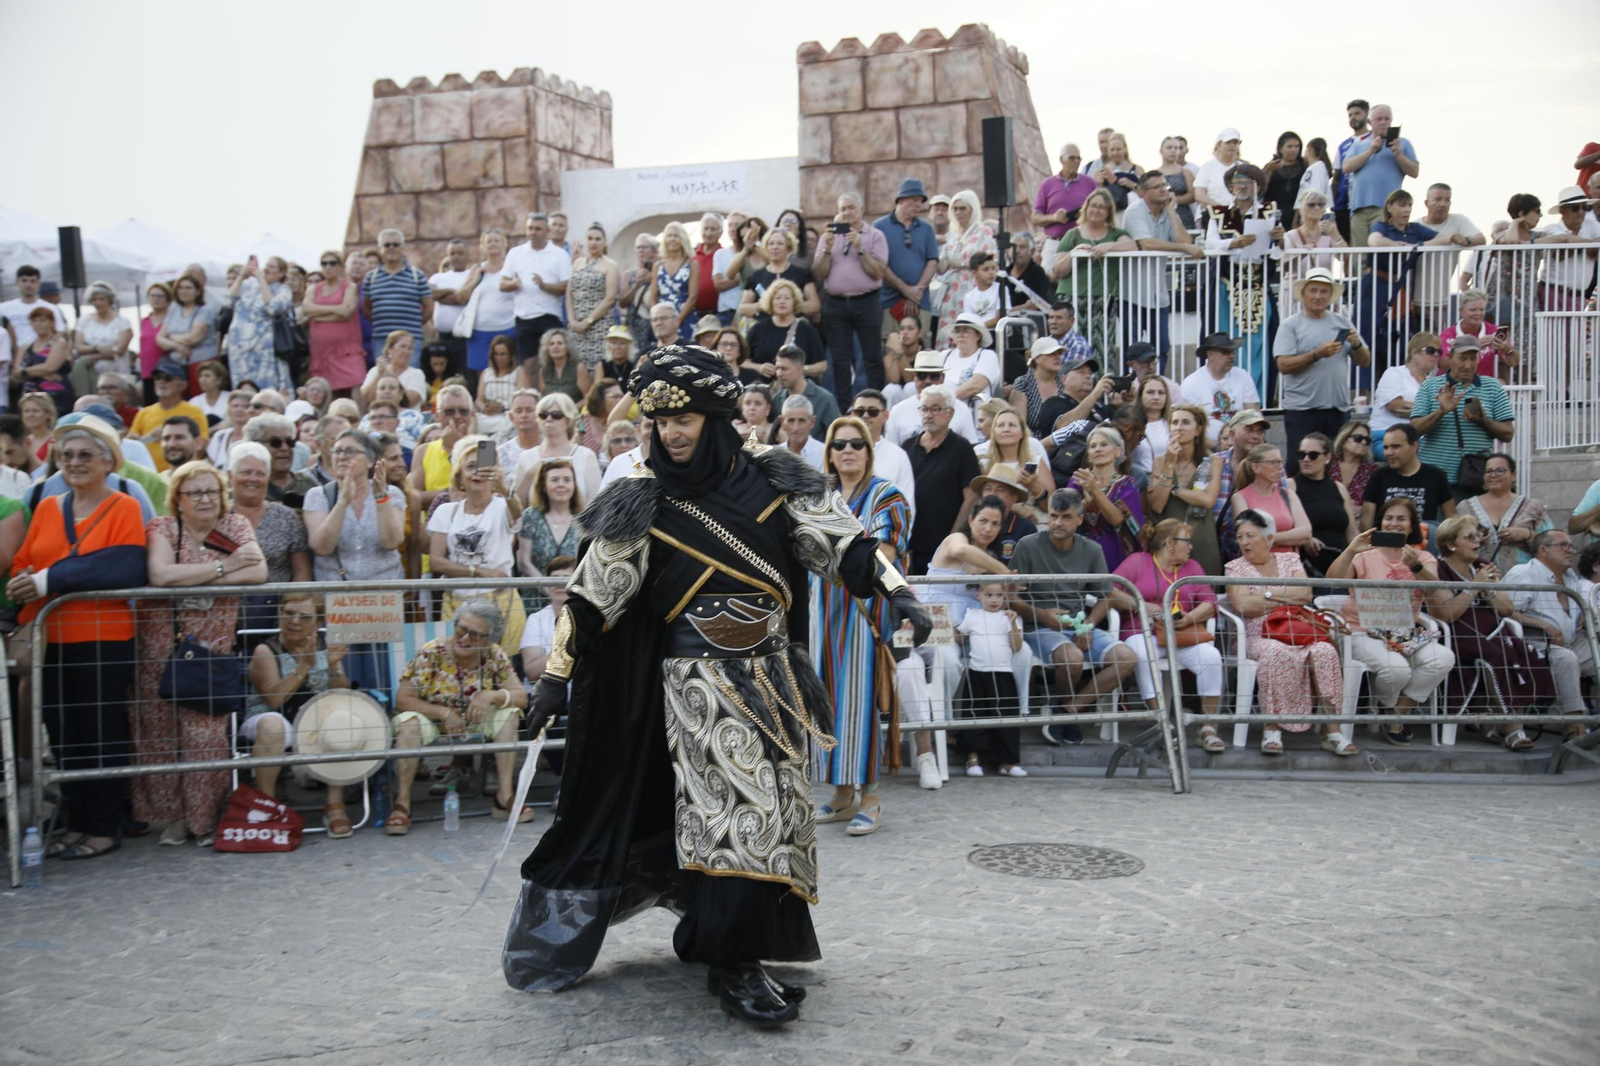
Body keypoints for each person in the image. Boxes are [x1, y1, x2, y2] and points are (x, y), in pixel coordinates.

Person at [507, 344, 930, 1024]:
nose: (671, 431)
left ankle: (724, 940)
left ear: (716, 416)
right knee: (740, 818)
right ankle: (733, 968)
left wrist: (900, 597)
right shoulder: (639, 499)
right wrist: (556, 677)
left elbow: (845, 543)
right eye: (659, 419)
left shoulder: (774, 477)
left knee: (775, 820)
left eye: (686, 418)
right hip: (695, 686)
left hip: (774, 677)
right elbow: (590, 598)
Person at [8, 417, 147, 860]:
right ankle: (77, 819)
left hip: (103, 639)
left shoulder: (123, 506)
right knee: (63, 733)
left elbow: (126, 566)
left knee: (100, 731)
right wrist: (22, 581)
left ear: (108, 461)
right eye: (66, 455)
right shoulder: (48, 508)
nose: (74, 462)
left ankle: (105, 825)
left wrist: (50, 580)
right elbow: (24, 563)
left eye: (86, 454)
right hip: (54, 639)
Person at [131, 460, 267, 847]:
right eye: (196, 492)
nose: (206, 499)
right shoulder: (163, 528)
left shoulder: (236, 525)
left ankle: (204, 818)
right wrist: (224, 567)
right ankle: (173, 817)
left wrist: (189, 573)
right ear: (178, 499)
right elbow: (160, 575)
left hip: (214, 646)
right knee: (160, 734)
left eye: (212, 491)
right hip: (162, 644)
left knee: (205, 734)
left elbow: (257, 573)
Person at [810, 415, 913, 832]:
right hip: (821, 614)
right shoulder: (818, 496)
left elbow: (885, 549)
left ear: (870, 451)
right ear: (829, 453)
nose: (847, 451)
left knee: (860, 703)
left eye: (857, 444)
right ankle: (840, 794)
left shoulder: (887, 495)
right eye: (839, 444)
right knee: (826, 704)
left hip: (862, 613)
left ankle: (870, 796)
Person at [392, 598, 531, 833]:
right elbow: (403, 700)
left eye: (475, 635)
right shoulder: (432, 652)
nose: (465, 638)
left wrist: (491, 696)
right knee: (409, 723)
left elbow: (521, 696)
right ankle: (402, 803)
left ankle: (504, 796)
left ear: (489, 641)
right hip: (433, 719)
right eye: (461, 629)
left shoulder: (494, 655)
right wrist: (443, 712)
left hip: (476, 718)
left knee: (510, 713)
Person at [1009, 489, 1135, 744]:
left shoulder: (1091, 549)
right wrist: (1042, 615)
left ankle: (1070, 710)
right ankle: (1070, 711)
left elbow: (1106, 595)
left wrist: (1088, 625)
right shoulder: (1028, 545)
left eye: (1065, 517)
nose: (1057, 523)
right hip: (1038, 627)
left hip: (1078, 626)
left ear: (1079, 519)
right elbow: (1010, 598)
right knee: (1072, 657)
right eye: (1053, 516)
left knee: (1128, 658)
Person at [1224, 510, 1354, 755]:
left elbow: (1305, 594)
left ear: (1269, 539)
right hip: (1257, 636)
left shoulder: (1290, 561)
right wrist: (1285, 598)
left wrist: (1264, 594)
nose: (1244, 542)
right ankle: (1271, 728)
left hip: (1298, 632)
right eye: (1240, 537)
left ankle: (1332, 731)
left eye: (1250, 535)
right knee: (1275, 651)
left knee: (1325, 650)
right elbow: (1243, 606)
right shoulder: (1234, 567)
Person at [1328, 497, 1454, 745]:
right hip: (1362, 630)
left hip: (1404, 633)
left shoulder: (1424, 557)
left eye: (1401, 519)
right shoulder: (1364, 555)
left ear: (1411, 525)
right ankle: (1389, 708)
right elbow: (1333, 580)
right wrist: (1351, 550)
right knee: (1396, 669)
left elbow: (1436, 590)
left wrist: (1415, 566)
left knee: (1443, 658)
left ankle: (1395, 712)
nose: (1394, 523)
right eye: (1389, 517)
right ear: (1381, 522)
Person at [1426, 517, 1552, 751]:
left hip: (1495, 633)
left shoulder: (1482, 566)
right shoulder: (1439, 568)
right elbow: (1445, 614)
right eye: (1469, 537)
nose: (1477, 542)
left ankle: (1490, 716)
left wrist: (1489, 587)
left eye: (1478, 536)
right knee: (1496, 654)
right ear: (1451, 544)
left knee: (1516, 648)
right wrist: (1475, 586)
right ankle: (1514, 729)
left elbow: (1507, 609)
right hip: (1457, 638)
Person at [1110, 520, 1226, 752]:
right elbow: (1111, 589)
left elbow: (1210, 602)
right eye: (1186, 541)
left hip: (1181, 633)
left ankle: (1207, 727)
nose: (1191, 547)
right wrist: (1141, 605)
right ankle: (1161, 723)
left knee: (1212, 657)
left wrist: (1190, 617)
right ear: (1169, 543)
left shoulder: (1192, 567)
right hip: (1141, 630)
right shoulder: (1137, 561)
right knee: (1143, 655)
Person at [243, 594, 353, 831]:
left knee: (342, 721)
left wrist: (334, 665)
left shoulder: (324, 645)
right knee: (273, 725)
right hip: (267, 717)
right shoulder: (266, 650)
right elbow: (274, 699)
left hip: (311, 718)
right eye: (289, 613)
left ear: (317, 623)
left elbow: (341, 692)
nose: (295, 621)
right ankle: (267, 805)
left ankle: (334, 805)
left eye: (304, 617)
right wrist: (304, 665)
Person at [1503, 531, 1595, 744]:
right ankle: (1575, 725)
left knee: (1595, 653)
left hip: (1569, 640)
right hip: (1530, 643)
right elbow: (1505, 612)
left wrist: (1582, 615)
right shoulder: (1523, 573)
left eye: (1572, 546)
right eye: (1563, 545)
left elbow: (1578, 608)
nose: (1570, 550)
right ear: (1543, 550)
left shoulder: (1571, 577)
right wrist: (1542, 624)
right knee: (1566, 659)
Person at [1204, 164, 1281, 397]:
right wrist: (1232, 244)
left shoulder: (1269, 212)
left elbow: (1277, 253)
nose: (1242, 187)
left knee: (1260, 345)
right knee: (1227, 342)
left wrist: (1280, 239)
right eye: (1238, 183)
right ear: (1230, 186)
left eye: (1248, 183)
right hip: (1228, 288)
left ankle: (1258, 398)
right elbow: (1209, 244)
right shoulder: (1218, 214)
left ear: (1257, 187)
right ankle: (1225, 397)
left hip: (1258, 285)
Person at [1274, 267, 1370, 447]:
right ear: (1303, 294)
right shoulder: (1290, 325)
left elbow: (1365, 361)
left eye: (1324, 291)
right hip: (1302, 410)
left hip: (1338, 410)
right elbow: (1283, 365)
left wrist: (1357, 344)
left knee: (1336, 467)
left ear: (1330, 295)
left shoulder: (1342, 321)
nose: (1318, 296)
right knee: (1302, 465)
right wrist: (1316, 354)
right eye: (1313, 290)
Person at [1409, 336, 1515, 499]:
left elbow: (1508, 433)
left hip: (1474, 478)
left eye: (1473, 358)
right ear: (1450, 358)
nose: (1467, 365)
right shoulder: (1430, 386)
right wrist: (1441, 412)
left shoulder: (1493, 387)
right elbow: (1414, 430)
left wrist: (1483, 421)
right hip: (1435, 477)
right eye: (1462, 358)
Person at [813, 192, 890, 403]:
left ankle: (875, 404)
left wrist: (860, 247)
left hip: (867, 301)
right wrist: (827, 249)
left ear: (861, 210)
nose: (847, 213)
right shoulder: (828, 237)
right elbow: (819, 272)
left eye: (851, 208)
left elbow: (878, 272)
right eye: (842, 209)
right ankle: (842, 406)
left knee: (872, 357)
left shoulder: (875, 235)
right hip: (836, 303)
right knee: (840, 360)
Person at [1122, 172, 1204, 361]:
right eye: (1157, 187)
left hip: (1158, 295)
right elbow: (1146, 244)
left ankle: (1156, 388)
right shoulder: (1135, 211)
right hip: (1132, 295)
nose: (1163, 190)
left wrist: (1172, 212)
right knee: (1132, 351)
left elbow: (1185, 239)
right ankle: (1133, 389)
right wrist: (1183, 247)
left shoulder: (1168, 211)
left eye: (1165, 186)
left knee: (1161, 349)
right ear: (1143, 192)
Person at [904, 382, 982, 573]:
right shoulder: (907, 446)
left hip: (943, 547)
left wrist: (953, 538)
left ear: (950, 413)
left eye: (935, 409)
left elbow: (971, 497)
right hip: (909, 545)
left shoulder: (962, 448)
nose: (928, 414)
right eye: (924, 409)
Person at [1051, 188, 1135, 364]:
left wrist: (1108, 246)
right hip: (1073, 299)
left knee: (1104, 348)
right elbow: (1058, 271)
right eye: (1093, 206)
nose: (1096, 210)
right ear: (1086, 208)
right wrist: (1073, 253)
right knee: (1072, 347)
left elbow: (1132, 246)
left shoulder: (1115, 234)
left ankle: (1102, 388)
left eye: (1102, 207)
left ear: (1108, 212)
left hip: (1102, 300)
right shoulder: (1073, 234)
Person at [1147, 404, 1222, 574]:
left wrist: (1172, 488)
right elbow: (1157, 505)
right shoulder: (1160, 461)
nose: (1179, 427)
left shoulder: (1213, 461)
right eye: (1175, 422)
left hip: (1203, 537)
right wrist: (1169, 465)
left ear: (1198, 430)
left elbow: (1207, 500)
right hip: (1169, 541)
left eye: (1186, 422)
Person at [1341, 104, 1419, 247]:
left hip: (1386, 209)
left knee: (1382, 253)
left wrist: (1399, 154)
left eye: (1387, 119)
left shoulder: (1403, 143)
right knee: (1359, 256)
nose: (1383, 122)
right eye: (1379, 119)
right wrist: (1371, 150)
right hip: (1359, 210)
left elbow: (1414, 172)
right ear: (1370, 122)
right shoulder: (1359, 143)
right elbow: (1346, 167)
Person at [873, 178, 941, 337]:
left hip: (919, 303)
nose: (919, 205)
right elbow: (878, 264)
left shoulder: (926, 229)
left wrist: (916, 292)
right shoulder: (880, 227)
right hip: (889, 302)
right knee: (891, 349)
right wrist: (904, 289)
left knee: (922, 352)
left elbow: (932, 262)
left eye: (920, 201)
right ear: (901, 200)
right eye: (915, 200)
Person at [502, 212, 573, 365]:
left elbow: (567, 287)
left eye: (538, 229)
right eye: (530, 228)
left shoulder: (559, 255)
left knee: (551, 363)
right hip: (523, 318)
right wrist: (513, 284)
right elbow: (502, 283)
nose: (533, 232)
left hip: (549, 317)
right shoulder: (515, 253)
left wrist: (545, 286)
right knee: (529, 364)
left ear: (548, 231)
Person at [1068, 424, 1142, 572]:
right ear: (1088, 454)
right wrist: (1085, 504)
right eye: (1093, 446)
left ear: (1117, 451)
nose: (1098, 449)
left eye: (1103, 444)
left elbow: (1117, 520)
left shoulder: (1127, 484)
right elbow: (1066, 516)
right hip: (1081, 555)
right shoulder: (1078, 480)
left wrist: (1095, 491)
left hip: (1116, 556)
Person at [1457, 455, 1550, 572]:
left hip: (1523, 577)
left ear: (1513, 475)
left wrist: (1526, 534)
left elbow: (1550, 544)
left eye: (1500, 470)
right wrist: (1474, 538)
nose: (1493, 475)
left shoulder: (1533, 507)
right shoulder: (1465, 507)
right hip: (1477, 576)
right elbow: (1452, 543)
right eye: (1488, 471)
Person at [933, 190, 998, 347]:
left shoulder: (984, 232)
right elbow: (942, 268)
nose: (958, 212)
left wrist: (960, 263)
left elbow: (991, 262)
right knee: (949, 335)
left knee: (970, 332)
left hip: (973, 288)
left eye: (962, 208)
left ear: (972, 209)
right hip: (952, 294)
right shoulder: (951, 235)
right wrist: (932, 249)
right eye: (955, 209)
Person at [511, 392, 602, 503]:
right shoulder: (526, 457)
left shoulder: (585, 456)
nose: (548, 419)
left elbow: (595, 502)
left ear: (568, 420)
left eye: (556, 415)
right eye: (543, 415)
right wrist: (530, 475)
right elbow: (516, 507)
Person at [1362, 423, 1455, 530]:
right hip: (1384, 543)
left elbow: (1451, 519)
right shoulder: (1378, 476)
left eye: (1395, 446)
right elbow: (1366, 523)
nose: (1389, 453)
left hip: (1424, 542)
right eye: (1386, 447)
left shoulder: (1436, 476)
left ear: (1414, 446)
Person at [1291, 432, 1357, 576]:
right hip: (1304, 568)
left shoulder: (1339, 488)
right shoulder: (1291, 486)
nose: (1306, 459)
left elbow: (1351, 533)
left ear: (1327, 458)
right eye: (1301, 454)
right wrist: (1304, 538)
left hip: (1339, 567)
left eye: (1313, 455)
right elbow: (1283, 525)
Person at [227, 255, 295, 393]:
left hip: (264, 350)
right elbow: (230, 299)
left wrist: (261, 280)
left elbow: (272, 307)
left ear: (281, 273)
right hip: (239, 348)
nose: (266, 269)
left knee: (265, 388)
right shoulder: (248, 285)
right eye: (266, 265)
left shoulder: (283, 290)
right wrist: (241, 276)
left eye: (272, 267)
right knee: (242, 387)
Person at [302, 249, 366, 395]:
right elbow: (306, 309)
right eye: (324, 264)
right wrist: (336, 310)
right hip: (321, 351)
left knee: (357, 382)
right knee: (324, 390)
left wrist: (317, 314)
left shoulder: (349, 287)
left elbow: (346, 312)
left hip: (346, 349)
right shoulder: (313, 288)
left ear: (341, 266)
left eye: (332, 263)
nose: (328, 267)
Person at [883, 350, 978, 446]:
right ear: (914, 378)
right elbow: (892, 450)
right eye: (922, 376)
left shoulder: (961, 409)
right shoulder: (898, 411)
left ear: (943, 378)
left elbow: (971, 447)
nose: (928, 381)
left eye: (934, 376)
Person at [129, 361, 209, 472]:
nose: (161, 382)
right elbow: (130, 446)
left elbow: (201, 446)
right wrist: (147, 438)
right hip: (149, 476)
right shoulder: (144, 413)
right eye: (157, 378)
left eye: (168, 378)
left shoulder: (194, 412)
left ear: (182, 385)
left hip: (184, 473)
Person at [1180, 332, 1259, 443]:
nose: (1231, 356)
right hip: (1207, 448)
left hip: (1241, 445)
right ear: (1210, 355)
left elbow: (1254, 414)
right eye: (1225, 352)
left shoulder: (1243, 376)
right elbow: (1190, 426)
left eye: (1233, 351)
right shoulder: (1192, 383)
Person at [516, 456, 584, 584]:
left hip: (572, 595)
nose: (561, 485)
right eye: (554, 480)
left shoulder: (584, 520)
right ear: (543, 486)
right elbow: (524, 563)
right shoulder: (530, 517)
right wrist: (550, 590)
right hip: (536, 597)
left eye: (567, 480)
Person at [1033, 143, 1098, 272]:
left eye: (1079, 158)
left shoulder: (1089, 183)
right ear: (1061, 159)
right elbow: (1035, 218)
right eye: (1072, 158)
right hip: (1054, 242)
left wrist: (1085, 215)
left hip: (1081, 242)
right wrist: (1054, 218)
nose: (1076, 162)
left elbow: (1102, 208)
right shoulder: (1047, 184)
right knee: (1049, 281)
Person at [847, 389, 914, 513]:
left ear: (885, 416)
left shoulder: (898, 456)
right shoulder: (839, 451)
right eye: (859, 411)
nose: (865, 416)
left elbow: (907, 506)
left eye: (872, 412)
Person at [567, 224, 620, 373]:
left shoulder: (610, 265)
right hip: (576, 326)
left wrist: (588, 321)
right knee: (577, 366)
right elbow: (569, 293)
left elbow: (610, 299)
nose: (593, 242)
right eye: (590, 238)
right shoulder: (577, 263)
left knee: (597, 368)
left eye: (597, 239)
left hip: (598, 326)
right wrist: (572, 320)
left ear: (604, 242)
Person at [1372, 332, 1440, 445]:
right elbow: (1395, 405)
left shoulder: (1432, 382)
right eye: (1431, 350)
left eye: (1439, 352)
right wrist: (1426, 412)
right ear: (1414, 352)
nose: (1436, 355)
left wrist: (1419, 412)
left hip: (1417, 439)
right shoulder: (1394, 373)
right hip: (1385, 435)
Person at [746, 279, 824, 379]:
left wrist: (802, 370)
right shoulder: (757, 329)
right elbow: (742, 361)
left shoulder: (806, 330)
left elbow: (822, 365)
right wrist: (759, 367)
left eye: (787, 298)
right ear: (770, 301)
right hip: (764, 389)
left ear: (794, 302)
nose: (782, 301)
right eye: (777, 298)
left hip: (797, 390)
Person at [738, 227, 820, 321]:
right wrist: (764, 304)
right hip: (765, 328)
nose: (775, 247)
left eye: (780, 243)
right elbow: (743, 308)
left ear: (788, 248)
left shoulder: (802, 273)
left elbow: (815, 306)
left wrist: (791, 303)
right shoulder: (756, 276)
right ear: (766, 248)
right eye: (771, 243)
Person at [976, 407, 1054, 503]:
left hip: (1032, 516)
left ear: (1022, 432)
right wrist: (1016, 508)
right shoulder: (984, 463)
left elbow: (1051, 505)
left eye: (1012, 425)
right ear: (994, 432)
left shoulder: (1034, 460)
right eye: (1000, 425)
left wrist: (1032, 487)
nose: (1006, 429)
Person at [70, 281, 133, 397]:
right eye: (94, 299)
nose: (98, 303)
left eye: (101, 299)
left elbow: (120, 349)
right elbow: (78, 347)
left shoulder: (122, 322)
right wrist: (99, 348)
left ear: (109, 300)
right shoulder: (83, 321)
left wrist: (93, 355)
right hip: (89, 374)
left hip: (116, 372)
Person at [1438, 290, 1516, 380]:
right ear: (1461, 311)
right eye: (1473, 310)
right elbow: (1444, 365)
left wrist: (1507, 349)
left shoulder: (1494, 330)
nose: (1478, 313)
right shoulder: (1448, 334)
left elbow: (1513, 363)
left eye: (1481, 309)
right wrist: (1474, 347)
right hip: (1453, 385)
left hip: (1484, 388)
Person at [15, 307, 74, 415]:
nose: (38, 324)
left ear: (52, 322)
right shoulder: (26, 347)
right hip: (30, 396)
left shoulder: (58, 342)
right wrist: (40, 371)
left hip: (56, 396)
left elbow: (50, 367)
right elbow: (15, 371)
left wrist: (25, 372)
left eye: (42, 320)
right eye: (34, 321)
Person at [646, 221, 698, 341]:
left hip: (684, 317)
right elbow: (653, 297)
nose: (672, 239)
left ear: (682, 239)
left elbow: (693, 297)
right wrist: (656, 317)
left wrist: (677, 320)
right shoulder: (657, 266)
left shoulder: (692, 264)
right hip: (662, 318)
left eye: (676, 236)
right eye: (669, 236)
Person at [941, 312, 1002, 411]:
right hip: (943, 411)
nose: (960, 335)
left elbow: (975, 386)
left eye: (965, 331)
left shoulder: (987, 355)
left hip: (973, 411)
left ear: (978, 336)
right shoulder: (944, 355)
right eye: (957, 331)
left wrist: (943, 403)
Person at [1009, 336, 1067, 437]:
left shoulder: (1064, 381)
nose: (1058, 357)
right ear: (1037, 358)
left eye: (1059, 353)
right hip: (1034, 444)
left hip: (1065, 443)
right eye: (1052, 354)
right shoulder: (1023, 383)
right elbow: (1019, 424)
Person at [475, 335, 530, 440]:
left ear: (511, 355)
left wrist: (503, 407)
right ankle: (481, 452)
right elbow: (479, 399)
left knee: (509, 424)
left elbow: (525, 398)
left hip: (508, 414)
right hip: (489, 415)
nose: (499, 358)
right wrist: (484, 408)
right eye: (496, 354)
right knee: (473, 420)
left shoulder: (518, 372)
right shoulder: (487, 373)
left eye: (503, 354)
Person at [359, 331, 426, 410]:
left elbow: (410, 401)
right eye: (402, 346)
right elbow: (367, 397)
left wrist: (390, 375)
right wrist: (379, 376)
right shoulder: (376, 370)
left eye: (410, 348)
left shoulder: (416, 374)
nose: (406, 351)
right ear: (389, 349)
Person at [1191, 128, 1243, 211]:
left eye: (1235, 142)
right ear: (1219, 145)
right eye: (1228, 142)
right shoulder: (1207, 167)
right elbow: (1199, 195)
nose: (1232, 145)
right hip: (1212, 215)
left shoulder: (1243, 167)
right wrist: (1220, 209)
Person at [1330, 421, 1378, 501]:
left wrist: (1363, 508)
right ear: (1343, 440)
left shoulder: (1372, 470)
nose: (1364, 442)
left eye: (1367, 440)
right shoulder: (1327, 464)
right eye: (1358, 438)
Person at [776, 396, 824, 471]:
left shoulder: (824, 453)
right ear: (782, 422)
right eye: (791, 421)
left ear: (812, 422)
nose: (796, 428)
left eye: (801, 421)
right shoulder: (775, 455)